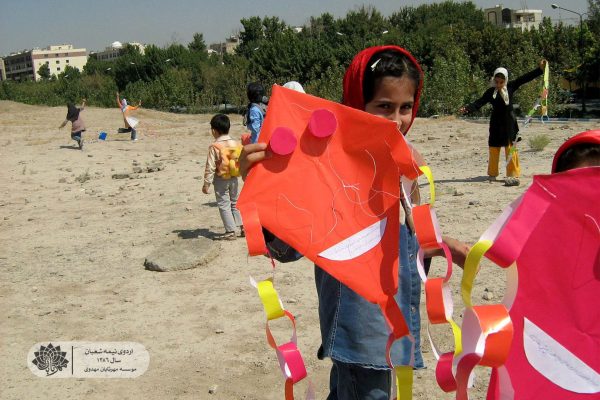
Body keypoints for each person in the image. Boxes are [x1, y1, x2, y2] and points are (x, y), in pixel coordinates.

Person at [241, 46, 469, 399]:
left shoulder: (407, 162)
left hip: (394, 319)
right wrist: (261, 187)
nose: (397, 120)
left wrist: (440, 246)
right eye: (384, 106)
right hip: (358, 326)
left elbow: (403, 238)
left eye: (406, 107)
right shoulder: (331, 168)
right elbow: (289, 248)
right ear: (356, 104)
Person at [459, 59, 547, 186]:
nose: (499, 84)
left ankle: (513, 173)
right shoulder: (490, 92)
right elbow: (479, 102)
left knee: (510, 148)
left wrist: (539, 70)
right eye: (497, 82)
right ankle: (492, 173)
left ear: (505, 80)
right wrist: (467, 108)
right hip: (495, 122)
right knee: (494, 148)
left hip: (509, 122)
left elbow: (524, 78)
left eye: (501, 82)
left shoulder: (511, 86)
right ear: (494, 80)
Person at [203, 114, 244, 240]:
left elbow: (210, 167)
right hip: (234, 178)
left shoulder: (214, 146)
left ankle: (230, 231)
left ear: (214, 130)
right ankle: (243, 227)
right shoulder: (236, 143)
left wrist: (206, 183)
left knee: (224, 204)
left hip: (221, 179)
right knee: (235, 203)